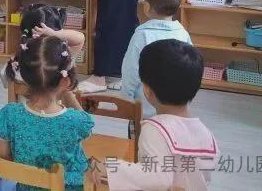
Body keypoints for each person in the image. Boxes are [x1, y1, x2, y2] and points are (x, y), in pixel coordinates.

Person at [92, 40, 219, 191]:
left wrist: (111, 167)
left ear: (147, 90)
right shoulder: (206, 133)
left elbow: (157, 178)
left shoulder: (155, 130)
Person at [0, 36, 94, 190]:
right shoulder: (75, 120)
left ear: (24, 76)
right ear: (65, 81)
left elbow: (3, 154)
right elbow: (87, 126)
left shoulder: (9, 114)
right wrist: (68, 93)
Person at [120, 0, 191, 118]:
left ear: (146, 7)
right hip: (177, 110)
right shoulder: (183, 34)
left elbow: (130, 72)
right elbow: (191, 70)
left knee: (140, 133)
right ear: (178, 6)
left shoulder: (141, 36)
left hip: (144, 111)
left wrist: (126, 99)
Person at [1, 4, 85, 87]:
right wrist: (54, 33)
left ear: (23, 32)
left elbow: (4, 77)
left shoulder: (15, 65)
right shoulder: (63, 57)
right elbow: (80, 38)